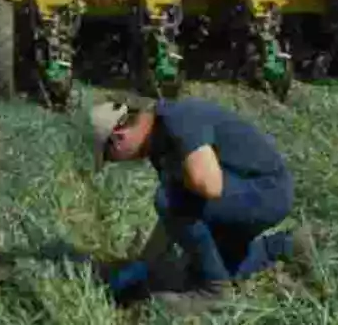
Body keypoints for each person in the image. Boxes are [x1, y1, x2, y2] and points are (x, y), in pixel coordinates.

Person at [90, 95, 315, 315]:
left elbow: (208, 187)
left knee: (170, 199)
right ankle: (286, 244)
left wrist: (183, 178)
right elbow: (174, 215)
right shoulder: (158, 145)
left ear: (118, 138)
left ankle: (213, 292)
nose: (119, 162)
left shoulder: (178, 118)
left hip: (267, 192)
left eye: (110, 157)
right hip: (243, 193)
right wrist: (142, 265)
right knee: (204, 268)